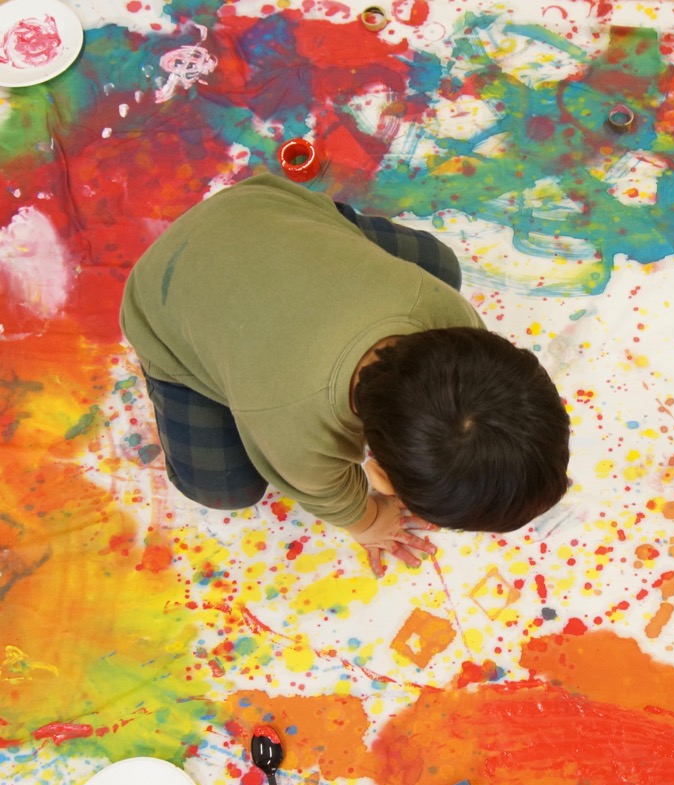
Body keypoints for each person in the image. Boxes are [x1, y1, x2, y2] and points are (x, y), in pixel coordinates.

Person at [120, 173, 571, 574]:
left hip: (261, 211)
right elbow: (327, 493)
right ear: (381, 478)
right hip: (163, 291)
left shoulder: (449, 314)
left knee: (442, 265)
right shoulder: (293, 427)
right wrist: (369, 520)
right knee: (224, 488)